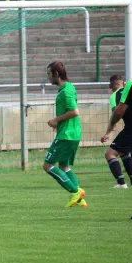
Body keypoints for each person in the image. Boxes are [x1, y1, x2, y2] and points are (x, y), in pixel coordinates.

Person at [43, 61, 87, 208]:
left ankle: (75, 192)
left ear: (56, 74)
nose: (48, 77)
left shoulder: (66, 91)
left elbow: (75, 111)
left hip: (66, 135)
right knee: (64, 166)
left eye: (49, 74)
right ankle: (80, 199)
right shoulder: (69, 87)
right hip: (73, 133)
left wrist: (56, 120)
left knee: (48, 165)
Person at [100, 75, 132, 188]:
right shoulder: (129, 87)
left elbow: (116, 113)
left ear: (111, 86)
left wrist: (108, 132)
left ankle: (121, 183)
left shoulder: (114, 96)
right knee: (124, 152)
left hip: (130, 128)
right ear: (123, 83)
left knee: (110, 154)